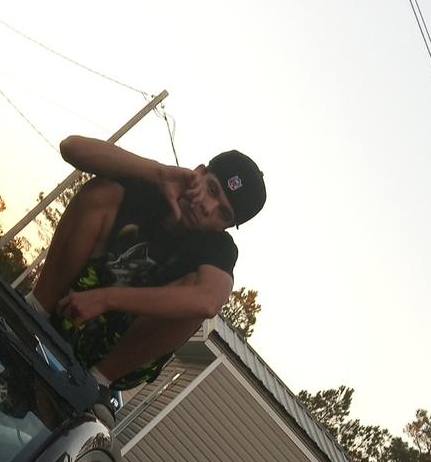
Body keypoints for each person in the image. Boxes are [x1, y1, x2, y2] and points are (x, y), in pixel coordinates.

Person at [30, 135, 266, 393]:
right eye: (211, 190)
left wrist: (106, 299)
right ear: (198, 173)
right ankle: (33, 311)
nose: (208, 208)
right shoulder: (151, 186)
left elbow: (209, 301)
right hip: (66, 305)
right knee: (103, 191)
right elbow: (71, 148)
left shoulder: (218, 248)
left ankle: (97, 384)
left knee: (196, 302)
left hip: (112, 356)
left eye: (224, 213)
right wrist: (157, 173)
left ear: (227, 226)